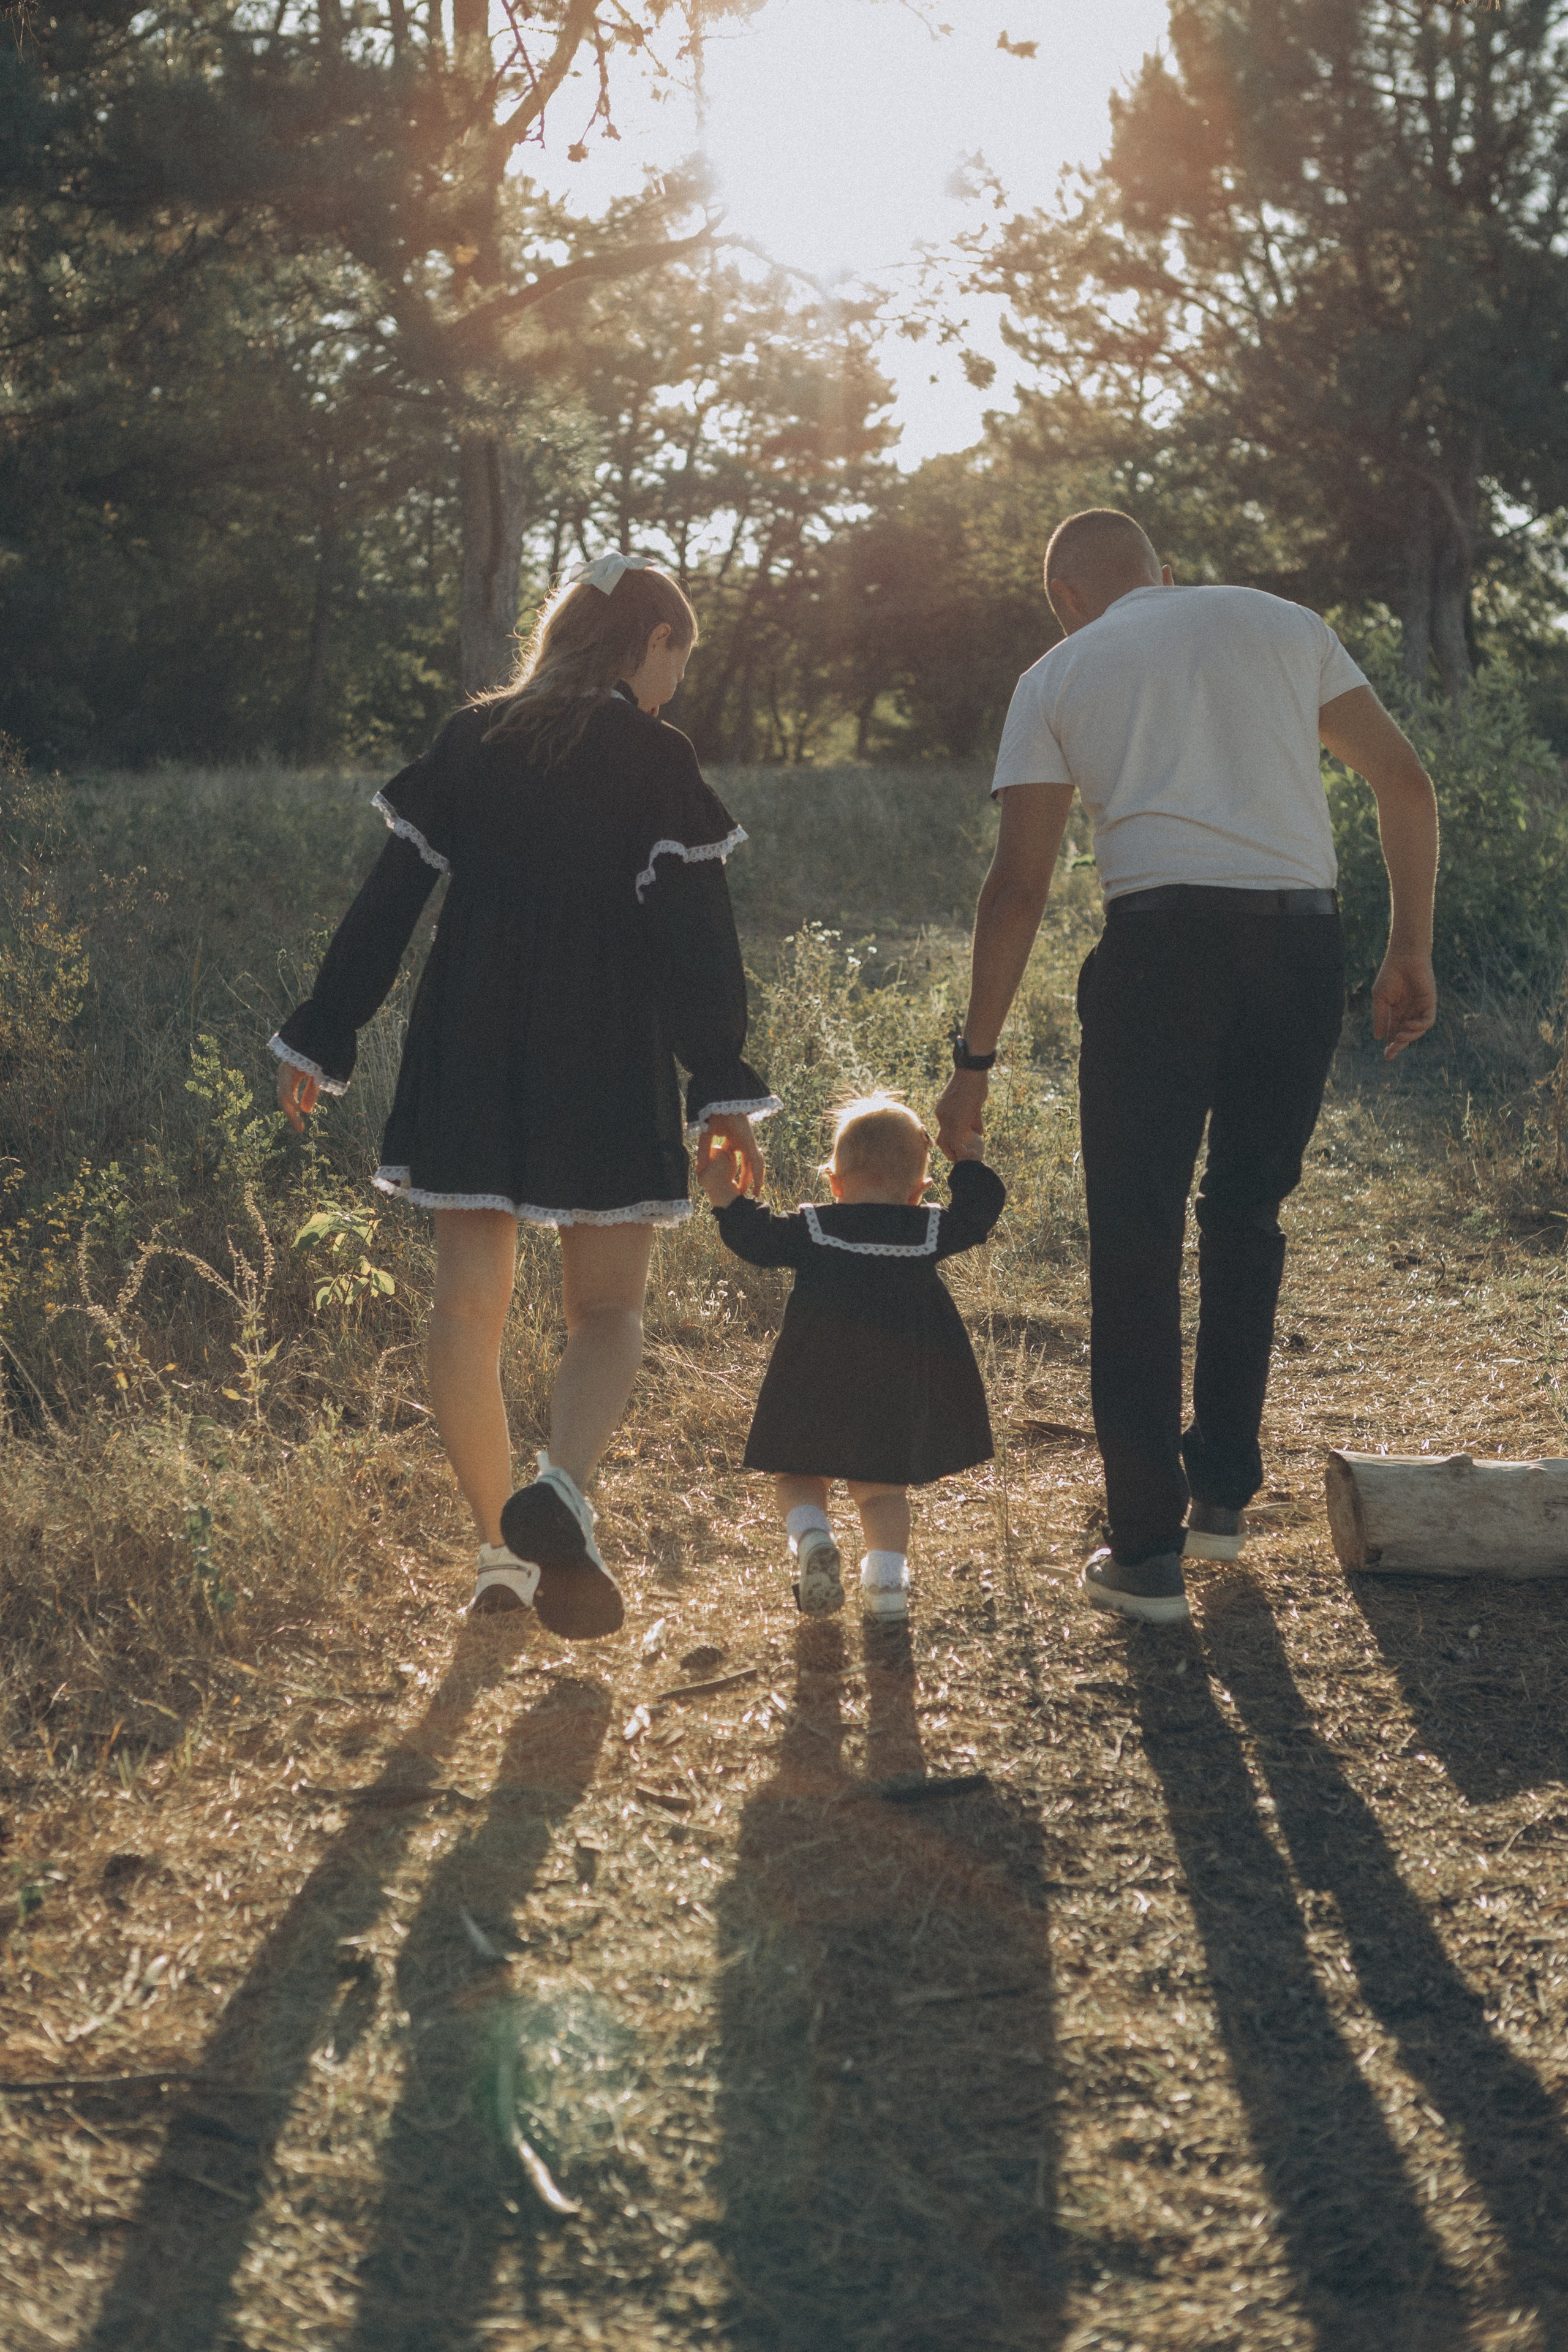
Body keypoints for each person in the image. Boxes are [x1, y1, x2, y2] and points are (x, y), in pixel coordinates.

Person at [934, 509, 1439, 1628]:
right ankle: (1220, 1497)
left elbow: (1018, 886)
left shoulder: (1059, 671)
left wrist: (973, 1062)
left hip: (1161, 951)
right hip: (1305, 945)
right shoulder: (1284, 624)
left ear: (1066, 595)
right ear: (1166, 571)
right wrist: (1409, 950)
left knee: (1138, 1229)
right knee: (1248, 1211)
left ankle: (1148, 1550)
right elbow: (1403, 782)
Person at [271, 554, 778, 1638]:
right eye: (675, 661)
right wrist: (720, 1086)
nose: (673, 686)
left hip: (472, 1033)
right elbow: (698, 936)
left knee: (466, 1306)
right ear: (652, 642)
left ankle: (501, 1555)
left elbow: (392, 895)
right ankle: (563, 1489)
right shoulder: (654, 755)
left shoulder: (474, 738)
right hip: (605, 1038)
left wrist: (326, 1029)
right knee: (608, 1309)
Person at [699, 1091, 1006, 1622]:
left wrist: (727, 1197)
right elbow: (977, 1216)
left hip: (813, 1378)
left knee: (798, 1472)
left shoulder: (815, 1228)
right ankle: (887, 1585)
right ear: (919, 1190)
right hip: (893, 1386)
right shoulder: (927, 1229)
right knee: (882, 1490)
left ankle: (813, 1537)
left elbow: (758, 1241)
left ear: (834, 1182)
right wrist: (969, 1160)